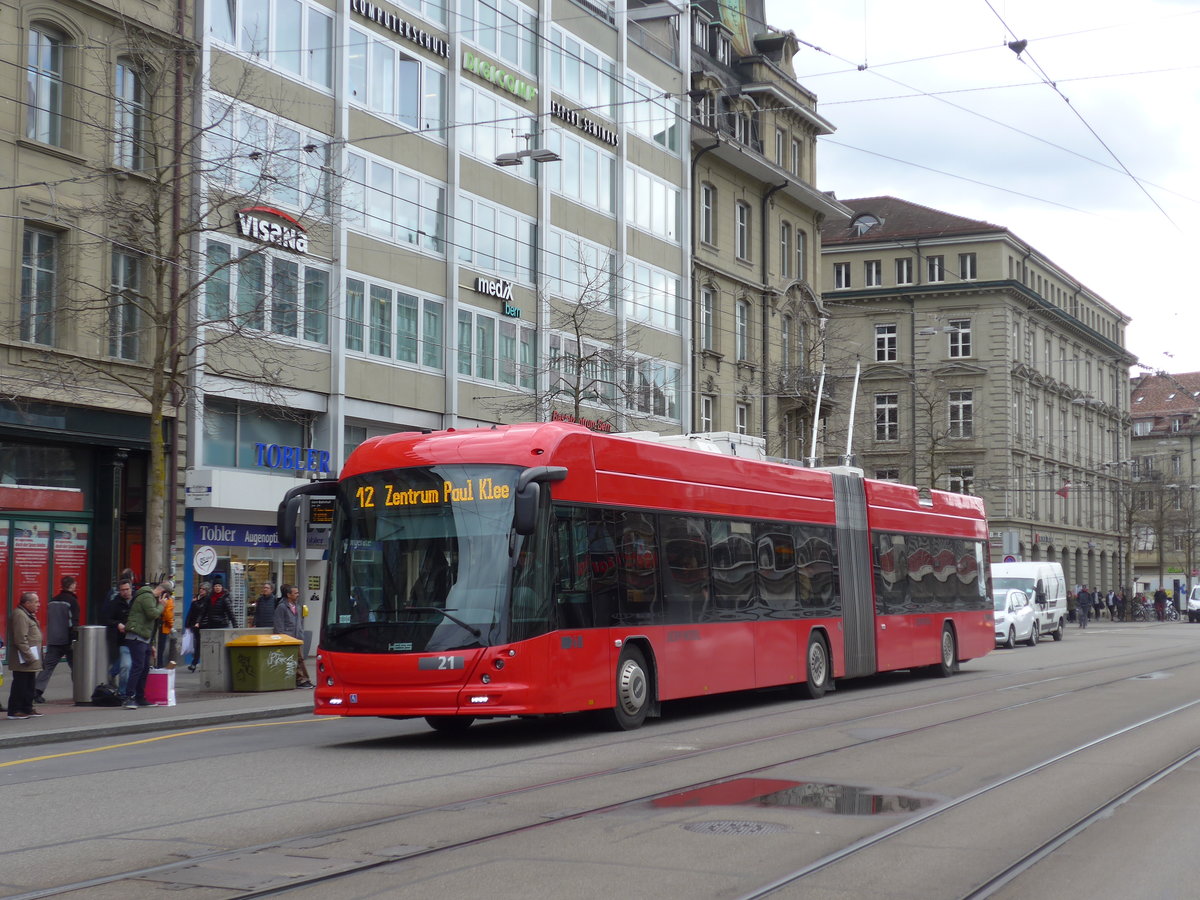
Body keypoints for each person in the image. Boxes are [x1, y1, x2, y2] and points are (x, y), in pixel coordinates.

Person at [123, 578, 170, 708]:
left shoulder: (150, 598)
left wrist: (152, 644)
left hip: (145, 637)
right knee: (138, 666)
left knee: (144, 668)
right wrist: (162, 605)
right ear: (163, 593)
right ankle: (128, 697)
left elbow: (152, 625)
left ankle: (140, 697)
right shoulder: (147, 597)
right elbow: (152, 614)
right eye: (167, 597)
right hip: (137, 636)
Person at [34, 575, 80, 703]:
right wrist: (74, 639)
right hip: (67, 639)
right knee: (76, 667)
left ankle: (37, 691)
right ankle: (80, 691)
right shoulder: (72, 601)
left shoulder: (53, 601)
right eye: (74, 584)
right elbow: (73, 622)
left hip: (54, 639)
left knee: (47, 667)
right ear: (71, 586)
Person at [6, 591, 45, 719]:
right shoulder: (20, 615)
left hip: (30, 655)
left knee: (29, 684)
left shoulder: (27, 614)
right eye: (36, 602)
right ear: (27, 603)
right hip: (23, 657)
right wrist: (29, 656)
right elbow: (20, 638)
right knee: (20, 684)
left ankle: (27, 708)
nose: (38, 604)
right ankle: (15, 710)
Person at [273, 584, 313, 688]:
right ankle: (302, 680)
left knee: (299, 659)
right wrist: (282, 638)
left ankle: (304, 679)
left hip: (297, 638)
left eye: (297, 593)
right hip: (288, 639)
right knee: (297, 659)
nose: (298, 595)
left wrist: (300, 634)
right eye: (295, 593)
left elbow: (299, 622)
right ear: (288, 595)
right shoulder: (281, 607)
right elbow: (278, 625)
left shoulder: (298, 607)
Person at [105, 578, 134, 696]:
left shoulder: (137, 601)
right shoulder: (115, 603)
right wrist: (117, 624)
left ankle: (112, 673)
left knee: (131, 664)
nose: (125, 592)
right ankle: (123, 693)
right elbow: (107, 619)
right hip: (124, 640)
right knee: (126, 666)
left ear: (131, 589)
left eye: (127, 589)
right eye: (122, 590)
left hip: (138, 638)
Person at [185, 582, 210, 671]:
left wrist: (194, 603)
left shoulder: (207, 599)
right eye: (200, 589)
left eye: (203, 589)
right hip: (195, 624)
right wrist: (187, 623)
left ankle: (196, 663)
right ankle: (195, 663)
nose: (201, 590)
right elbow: (191, 612)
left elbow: (201, 610)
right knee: (197, 645)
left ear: (207, 591)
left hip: (203, 624)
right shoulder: (196, 598)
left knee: (201, 645)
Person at [157, 585, 176, 669]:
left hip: (159, 624)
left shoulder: (159, 598)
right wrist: (171, 624)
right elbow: (168, 614)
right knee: (162, 647)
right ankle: (160, 665)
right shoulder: (169, 600)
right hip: (164, 626)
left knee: (160, 647)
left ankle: (159, 664)